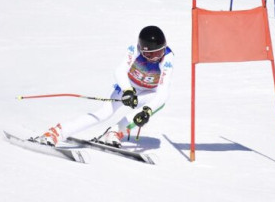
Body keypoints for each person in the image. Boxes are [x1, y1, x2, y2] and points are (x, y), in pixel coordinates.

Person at [32, 26, 174, 148]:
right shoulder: (134, 49)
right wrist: (127, 90)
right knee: (103, 113)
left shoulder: (167, 58)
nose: (156, 57)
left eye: (159, 52)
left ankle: (115, 132)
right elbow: (120, 70)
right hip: (128, 87)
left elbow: (163, 91)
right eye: (150, 54)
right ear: (142, 50)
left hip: (149, 92)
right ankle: (55, 133)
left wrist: (147, 111)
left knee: (155, 105)